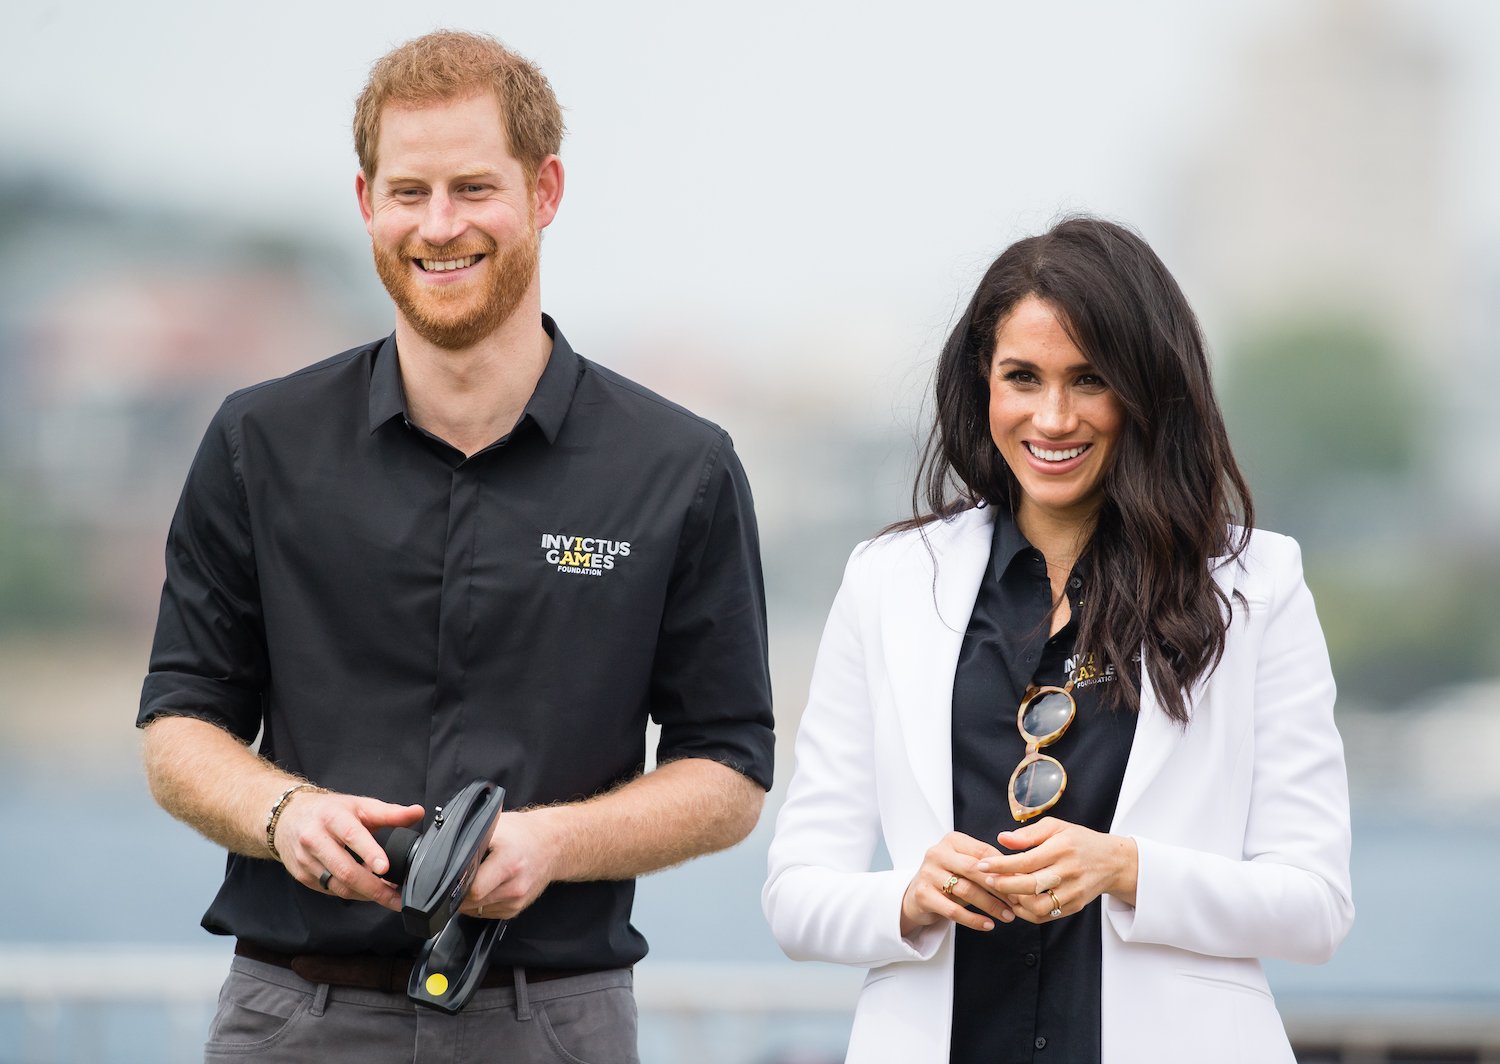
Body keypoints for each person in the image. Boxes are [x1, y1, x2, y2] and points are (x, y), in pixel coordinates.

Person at [138, 30, 773, 1064]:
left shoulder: (682, 467)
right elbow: (177, 725)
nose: (439, 227)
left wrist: (551, 843)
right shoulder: (259, 442)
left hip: (552, 1018)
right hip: (292, 1017)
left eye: (474, 188)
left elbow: (731, 770)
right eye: (409, 191)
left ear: (545, 190)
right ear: (365, 202)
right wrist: (282, 810)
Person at [762, 216, 1353, 1063]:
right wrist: (912, 896)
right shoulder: (887, 579)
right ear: (983, 387)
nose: (1053, 416)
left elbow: (1315, 905)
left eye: (1089, 379)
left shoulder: (1258, 585)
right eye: (1023, 377)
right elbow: (794, 896)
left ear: (1150, 389)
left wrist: (1126, 868)